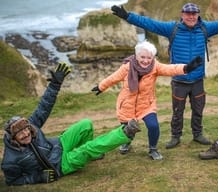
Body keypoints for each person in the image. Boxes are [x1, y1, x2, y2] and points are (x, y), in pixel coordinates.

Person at [111, 2, 218, 149]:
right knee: (177, 111)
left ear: (198, 15)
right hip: (179, 80)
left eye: (194, 14)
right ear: (182, 15)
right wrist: (127, 16)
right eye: (188, 14)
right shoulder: (172, 28)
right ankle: (175, 136)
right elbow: (149, 23)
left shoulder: (205, 28)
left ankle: (197, 134)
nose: (191, 17)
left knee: (198, 110)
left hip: (197, 80)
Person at [1, 62, 141, 185]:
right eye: (20, 133)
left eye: (25, 129)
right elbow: (12, 181)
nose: (26, 134)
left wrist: (55, 85)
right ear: (13, 138)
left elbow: (44, 106)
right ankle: (125, 132)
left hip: (59, 145)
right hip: (60, 165)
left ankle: (90, 155)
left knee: (85, 124)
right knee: (87, 149)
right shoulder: (10, 160)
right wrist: (38, 177)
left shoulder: (32, 126)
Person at [91, 41, 203, 160]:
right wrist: (101, 86)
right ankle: (126, 142)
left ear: (153, 58)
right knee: (127, 130)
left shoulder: (155, 67)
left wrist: (186, 68)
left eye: (149, 57)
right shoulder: (127, 67)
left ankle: (153, 149)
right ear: (136, 55)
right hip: (127, 105)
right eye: (142, 57)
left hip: (146, 104)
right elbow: (113, 78)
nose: (145, 60)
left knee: (153, 126)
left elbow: (170, 69)